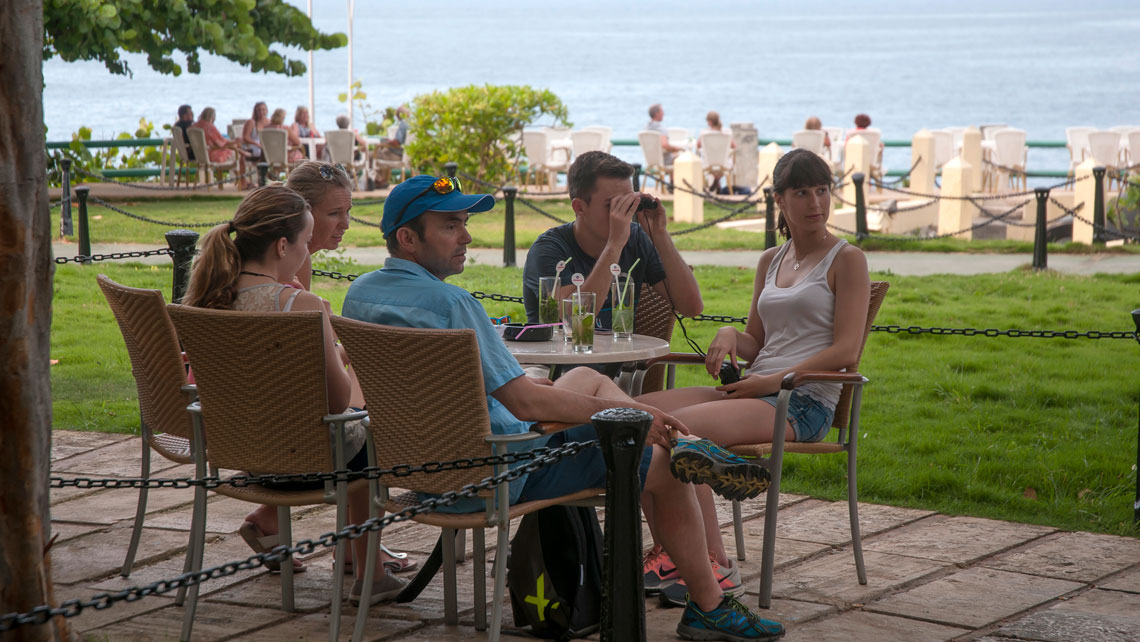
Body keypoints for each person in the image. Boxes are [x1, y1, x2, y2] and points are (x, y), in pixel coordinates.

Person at [341, 174, 784, 641]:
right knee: (663, 465)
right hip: (498, 469)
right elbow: (527, 401)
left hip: (414, 469)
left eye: (464, 223)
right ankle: (708, 605)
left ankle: (685, 440)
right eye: (451, 226)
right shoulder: (454, 304)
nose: (467, 236)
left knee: (586, 378)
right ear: (408, 238)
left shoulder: (360, 295)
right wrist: (625, 418)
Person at [635, 149, 870, 606]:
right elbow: (757, 343)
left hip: (800, 401)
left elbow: (845, 351)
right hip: (755, 388)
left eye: (822, 190)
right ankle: (672, 553)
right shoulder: (771, 260)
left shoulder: (847, 260)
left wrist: (770, 382)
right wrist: (728, 335)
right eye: (801, 192)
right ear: (779, 199)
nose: (815, 202)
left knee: (679, 433)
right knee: (641, 418)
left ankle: (714, 566)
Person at [181, 185, 410, 605]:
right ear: (283, 245)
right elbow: (338, 402)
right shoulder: (299, 304)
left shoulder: (207, 300)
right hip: (307, 462)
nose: (307, 254)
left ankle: (351, 557)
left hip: (240, 455)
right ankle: (369, 572)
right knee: (372, 434)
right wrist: (343, 357)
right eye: (306, 243)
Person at [522, 151, 702, 335]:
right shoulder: (548, 250)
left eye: (629, 203)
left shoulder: (636, 239)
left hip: (617, 361)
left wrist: (659, 235)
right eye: (613, 205)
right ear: (579, 207)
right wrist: (615, 244)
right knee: (582, 367)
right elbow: (574, 322)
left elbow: (691, 307)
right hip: (557, 361)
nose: (624, 214)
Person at [697, 111, 736, 193]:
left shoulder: (704, 134)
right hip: (723, 163)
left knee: (709, 162)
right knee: (725, 162)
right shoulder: (726, 133)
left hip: (708, 162)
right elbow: (734, 146)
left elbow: (698, 145)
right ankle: (717, 181)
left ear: (709, 122)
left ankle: (716, 182)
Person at [374, 105, 410, 188]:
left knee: (374, 155)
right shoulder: (411, 124)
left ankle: (379, 180)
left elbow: (397, 142)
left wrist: (387, 141)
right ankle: (382, 180)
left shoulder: (403, 125)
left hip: (397, 155)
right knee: (382, 152)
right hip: (406, 155)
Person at [646, 103, 685, 167]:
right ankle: (676, 177)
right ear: (657, 114)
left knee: (674, 155)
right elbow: (664, 145)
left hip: (651, 161)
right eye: (662, 112)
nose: (663, 114)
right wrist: (675, 148)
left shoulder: (646, 129)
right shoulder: (660, 129)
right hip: (664, 160)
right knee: (683, 158)